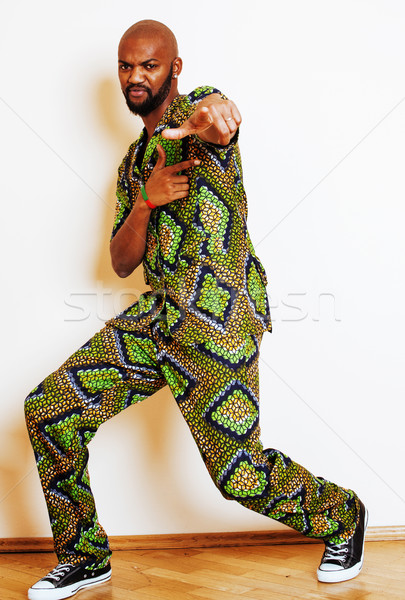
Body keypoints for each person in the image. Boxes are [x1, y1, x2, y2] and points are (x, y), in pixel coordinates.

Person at [25, 19, 368, 600]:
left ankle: (343, 515)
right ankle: (84, 557)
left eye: (150, 65)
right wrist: (146, 200)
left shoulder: (198, 117)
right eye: (126, 66)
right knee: (48, 410)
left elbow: (220, 115)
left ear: (174, 69)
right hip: (158, 321)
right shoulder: (134, 162)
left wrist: (217, 112)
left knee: (238, 476)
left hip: (218, 324)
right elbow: (120, 261)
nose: (136, 77)